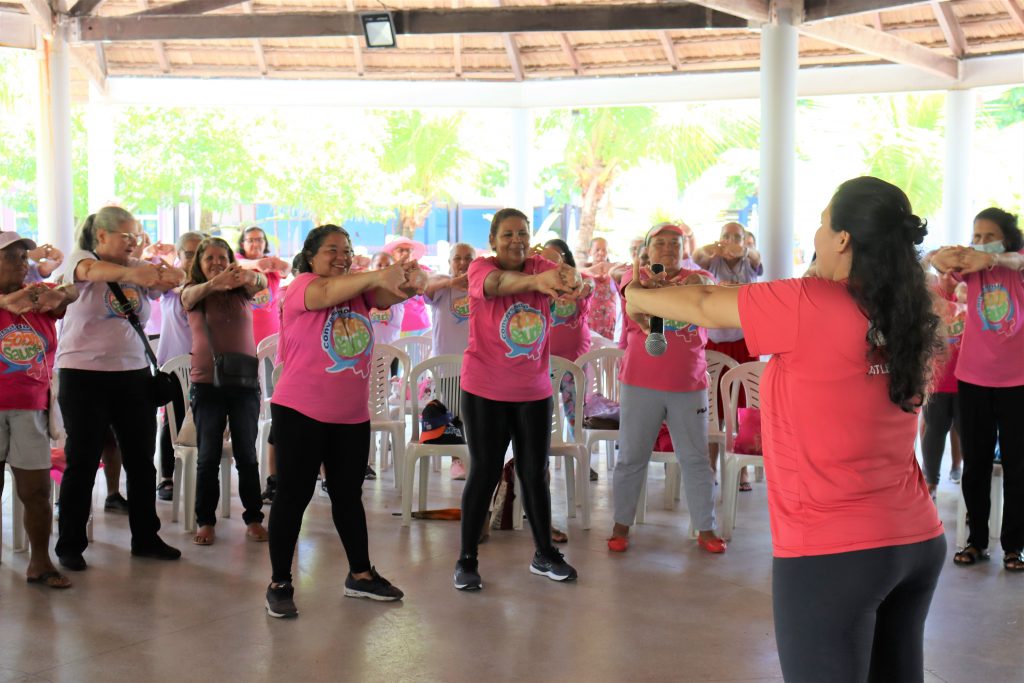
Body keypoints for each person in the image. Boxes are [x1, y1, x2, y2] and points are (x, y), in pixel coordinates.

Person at [624, 176, 945, 681]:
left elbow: (706, 305)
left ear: (843, 239)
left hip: (835, 552)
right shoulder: (906, 310)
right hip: (917, 539)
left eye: (822, 224)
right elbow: (715, 294)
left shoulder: (811, 302)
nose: (816, 236)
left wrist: (638, 296)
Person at [265, 224, 420, 618]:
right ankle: (280, 582)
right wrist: (376, 274)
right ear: (311, 256)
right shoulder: (302, 285)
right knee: (293, 496)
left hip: (350, 414)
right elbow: (326, 294)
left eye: (346, 250)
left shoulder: (358, 293)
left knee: (348, 496)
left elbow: (391, 293)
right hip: (300, 409)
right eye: (332, 249)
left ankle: (361, 575)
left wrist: (410, 280)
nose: (341, 256)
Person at [453, 208, 582, 591]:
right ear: (493, 240)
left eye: (522, 233)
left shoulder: (541, 264)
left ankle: (544, 554)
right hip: (485, 390)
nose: (516, 240)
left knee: (534, 472)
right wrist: (539, 280)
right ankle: (466, 560)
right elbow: (496, 285)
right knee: (485, 472)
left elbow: (568, 277)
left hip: (534, 390)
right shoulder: (480, 268)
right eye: (507, 234)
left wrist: (573, 280)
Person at [54, 206, 186, 571]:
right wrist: (138, 270)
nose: (132, 243)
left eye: (135, 236)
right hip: (83, 376)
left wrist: (160, 270)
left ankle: (145, 537)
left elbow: (173, 278)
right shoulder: (83, 258)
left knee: (142, 462)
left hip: (133, 375)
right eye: (125, 236)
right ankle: (70, 545)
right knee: (81, 462)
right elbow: (91, 273)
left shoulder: (136, 269)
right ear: (101, 237)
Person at [606, 223, 725, 555]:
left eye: (676, 242)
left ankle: (706, 528)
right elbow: (632, 291)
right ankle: (620, 525)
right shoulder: (636, 279)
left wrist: (692, 281)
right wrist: (645, 282)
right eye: (661, 243)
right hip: (640, 383)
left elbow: (705, 286)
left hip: (688, 384)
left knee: (696, 459)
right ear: (648, 249)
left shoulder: (697, 278)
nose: (669, 247)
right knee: (631, 456)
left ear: (685, 248)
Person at [931, 207, 1024, 571]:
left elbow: (1016, 261)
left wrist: (992, 256)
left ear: (1006, 238)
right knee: (976, 464)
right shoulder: (969, 271)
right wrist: (946, 258)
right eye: (977, 236)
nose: (980, 242)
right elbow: (939, 269)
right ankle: (977, 541)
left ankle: (1015, 546)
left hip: (1017, 381)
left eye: (989, 235)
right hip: (973, 379)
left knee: (1017, 464)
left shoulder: (1015, 264)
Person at [0, 230, 78, 589]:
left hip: (31, 408)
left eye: (24, 257)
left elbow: (72, 292)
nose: (22, 263)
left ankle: (40, 563)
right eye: (12, 257)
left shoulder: (38, 299)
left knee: (36, 492)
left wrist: (55, 293)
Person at [182, 237, 268, 546]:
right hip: (207, 383)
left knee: (247, 453)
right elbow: (186, 297)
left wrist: (248, 275)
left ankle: (254, 518)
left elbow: (260, 282)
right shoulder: (193, 291)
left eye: (222, 257)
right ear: (199, 263)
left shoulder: (241, 289)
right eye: (209, 258)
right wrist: (214, 282)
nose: (216, 262)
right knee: (208, 456)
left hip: (244, 383)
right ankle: (205, 520)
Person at [693, 221, 763, 490]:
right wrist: (714, 248)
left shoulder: (751, 259)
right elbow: (698, 256)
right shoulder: (711, 261)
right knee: (713, 409)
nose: (731, 240)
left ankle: (742, 471)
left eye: (737, 236)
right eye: (726, 236)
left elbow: (757, 258)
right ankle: (710, 466)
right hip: (715, 344)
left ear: (746, 239)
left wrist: (743, 250)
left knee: (745, 409)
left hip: (745, 344)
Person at [155, 231, 204, 501]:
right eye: (188, 253)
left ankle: (202, 473)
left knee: (203, 418)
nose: (193, 258)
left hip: (205, 365)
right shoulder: (171, 281)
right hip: (173, 364)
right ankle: (166, 477)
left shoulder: (211, 284)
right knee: (171, 419)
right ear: (178, 255)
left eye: (200, 252)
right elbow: (165, 285)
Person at [423, 242, 475, 480]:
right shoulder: (443, 285)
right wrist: (452, 282)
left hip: (477, 364)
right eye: (458, 258)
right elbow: (426, 286)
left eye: (468, 258)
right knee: (453, 414)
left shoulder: (482, 286)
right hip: (447, 365)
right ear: (450, 262)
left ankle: (474, 459)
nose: (463, 263)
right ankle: (457, 460)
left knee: (474, 414)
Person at [236, 226, 291, 345]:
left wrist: (284, 266)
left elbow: (286, 270)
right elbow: (237, 264)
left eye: (260, 240)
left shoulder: (270, 263)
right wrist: (257, 264)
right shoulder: (238, 260)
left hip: (273, 337)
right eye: (250, 240)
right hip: (244, 339)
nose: (256, 244)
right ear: (242, 244)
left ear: (265, 243)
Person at [383, 237, 432, 337]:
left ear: (412, 253)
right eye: (400, 250)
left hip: (419, 325)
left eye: (408, 250)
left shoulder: (423, 270)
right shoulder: (387, 271)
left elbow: (434, 281)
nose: (405, 253)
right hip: (392, 326)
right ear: (392, 253)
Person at [581, 237, 618, 340]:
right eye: (597, 249)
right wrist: (593, 269)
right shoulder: (583, 271)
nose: (601, 253)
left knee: (607, 353)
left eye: (604, 250)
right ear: (590, 251)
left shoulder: (614, 272)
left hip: (609, 322)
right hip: (589, 320)